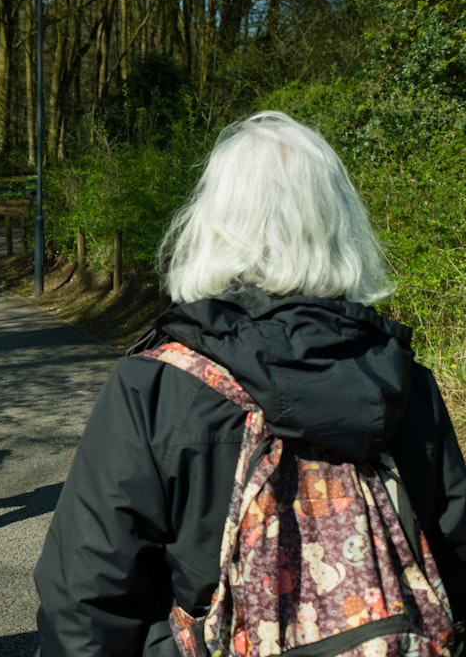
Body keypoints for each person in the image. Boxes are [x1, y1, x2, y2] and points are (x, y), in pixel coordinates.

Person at [33, 111, 466, 656]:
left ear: (212, 221)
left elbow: (87, 594)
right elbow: (452, 557)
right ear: (339, 223)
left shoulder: (158, 385)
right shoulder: (402, 380)